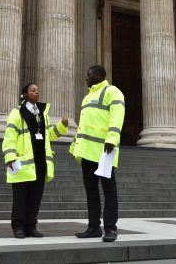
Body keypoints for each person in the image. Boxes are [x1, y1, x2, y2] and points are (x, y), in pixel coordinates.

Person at [2, 83, 69, 239]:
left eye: (38, 90)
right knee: (20, 198)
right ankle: (18, 227)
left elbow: (48, 135)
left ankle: (31, 226)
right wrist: (10, 156)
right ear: (25, 94)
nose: (37, 92)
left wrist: (61, 126)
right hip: (22, 162)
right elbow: (10, 136)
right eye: (33, 90)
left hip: (40, 162)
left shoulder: (42, 113)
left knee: (35, 197)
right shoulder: (17, 112)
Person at [70, 65, 125, 242]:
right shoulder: (87, 97)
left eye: (89, 74)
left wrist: (112, 138)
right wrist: (75, 145)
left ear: (99, 75)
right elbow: (84, 124)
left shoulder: (112, 91)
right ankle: (93, 227)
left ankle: (110, 229)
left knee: (109, 190)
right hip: (87, 152)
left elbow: (117, 115)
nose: (86, 77)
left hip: (104, 150)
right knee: (91, 191)